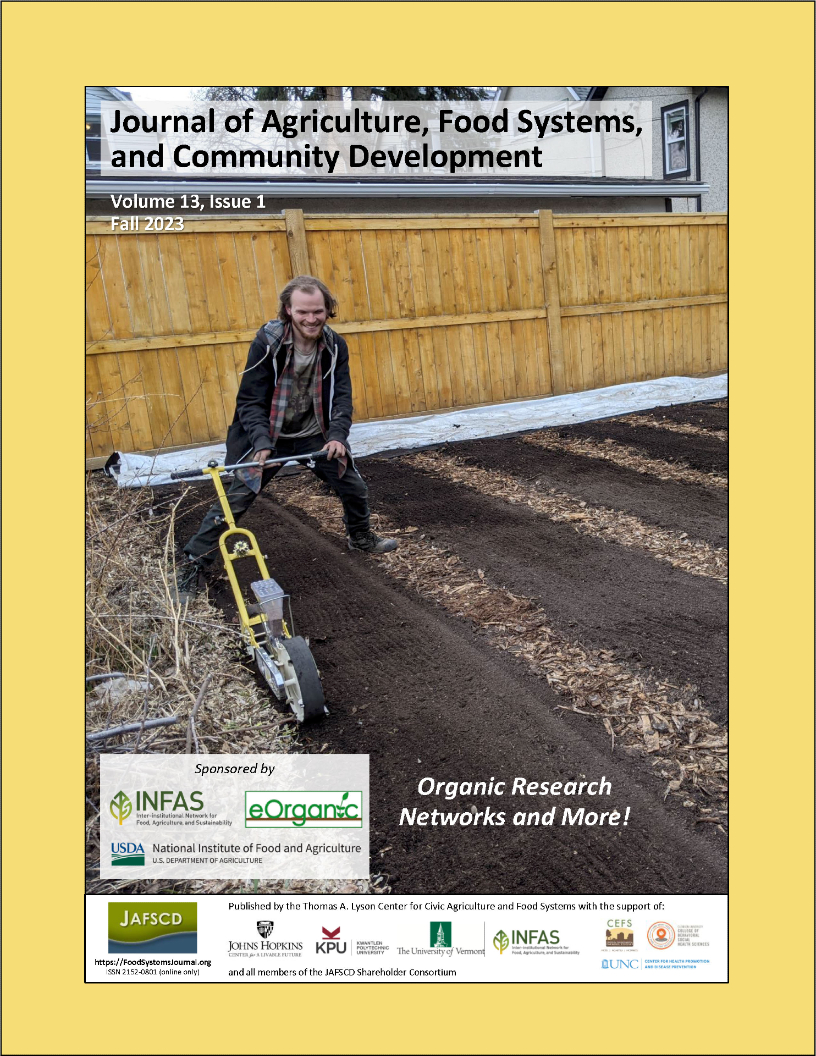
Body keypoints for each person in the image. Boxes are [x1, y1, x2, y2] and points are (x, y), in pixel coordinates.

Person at [173, 274, 397, 603]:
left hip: (313, 436)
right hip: (270, 437)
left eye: (318, 311)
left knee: (353, 486)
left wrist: (337, 436)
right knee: (233, 502)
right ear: (288, 310)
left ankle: (360, 538)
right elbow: (249, 401)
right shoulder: (269, 342)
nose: (311, 319)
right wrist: (262, 443)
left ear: (328, 310)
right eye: (303, 312)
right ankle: (192, 566)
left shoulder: (334, 346)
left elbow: (342, 397)